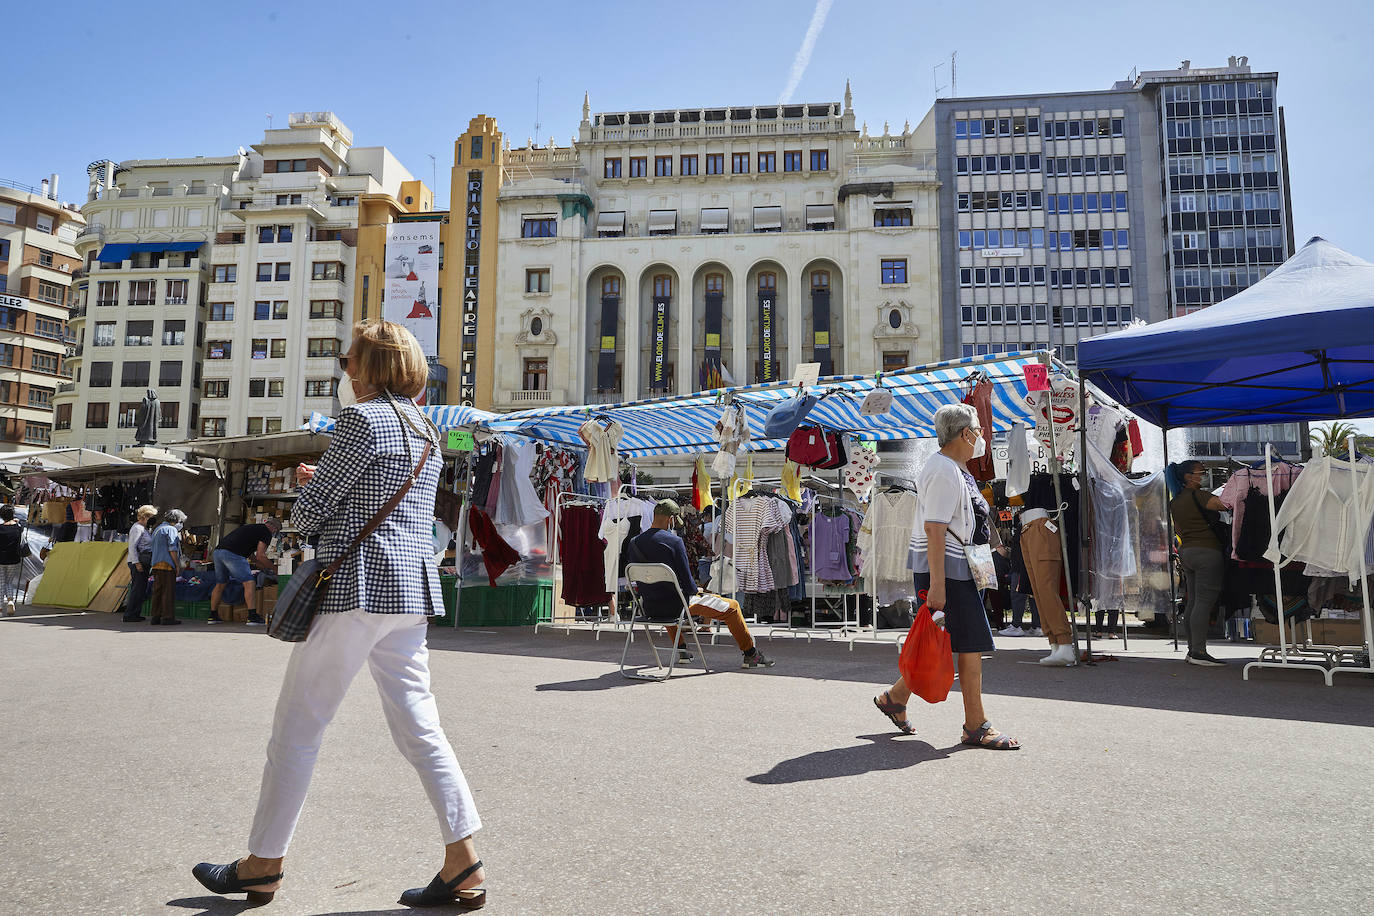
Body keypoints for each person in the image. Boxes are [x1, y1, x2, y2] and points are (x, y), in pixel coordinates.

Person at [194, 319, 486, 909]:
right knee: (420, 728)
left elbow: (313, 516)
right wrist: (324, 483)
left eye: (350, 360)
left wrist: (310, 487)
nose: (345, 370)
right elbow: (387, 501)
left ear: (372, 365)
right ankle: (464, 861)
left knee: (297, 729)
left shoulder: (361, 419)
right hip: (409, 594)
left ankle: (263, 862)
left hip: (357, 587)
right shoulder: (427, 428)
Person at [873, 403, 1020, 749]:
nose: (982, 436)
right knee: (970, 645)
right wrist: (937, 586)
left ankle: (895, 699)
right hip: (948, 574)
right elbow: (934, 529)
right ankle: (975, 725)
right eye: (979, 431)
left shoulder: (956, 469)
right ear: (965, 434)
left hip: (958, 571)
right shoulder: (942, 470)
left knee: (947, 642)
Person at [624, 499, 775, 668]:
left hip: (650, 607)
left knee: (668, 595)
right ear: (672, 519)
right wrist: (698, 589)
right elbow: (688, 587)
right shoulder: (674, 542)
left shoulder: (634, 542)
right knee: (732, 607)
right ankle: (751, 655)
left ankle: (682, 651)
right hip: (677, 607)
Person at [1168, 460, 1228, 666]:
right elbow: (1226, 505)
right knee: (1203, 602)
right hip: (1207, 552)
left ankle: (1192, 649)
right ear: (1187, 476)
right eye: (1199, 472)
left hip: (1187, 552)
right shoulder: (1201, 496)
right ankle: (1199, 652)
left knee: (1193, 601)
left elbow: (1179, 531)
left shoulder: (1174, 502)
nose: (1203, 474)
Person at [208, 518, 280, 625]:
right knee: (249, 582)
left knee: (220, 584)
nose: (275, 533)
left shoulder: (252, 528)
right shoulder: (266, 532)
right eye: (276, 531)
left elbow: (250, 552)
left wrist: (257, 563)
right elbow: (261, 555)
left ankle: (213, 616)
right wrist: (276, 569)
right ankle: (252, 617)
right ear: (274, 528)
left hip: (218, 552)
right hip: (232, 554)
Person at [149, 509, 186, 627]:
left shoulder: (157, 529)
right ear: (176, 521)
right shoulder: (171, 530)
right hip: (167, 565)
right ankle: (167, 617)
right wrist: (177, 565)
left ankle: (155, 616)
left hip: (156, 564)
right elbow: (172, 549)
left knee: (158, 591)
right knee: (168, 592)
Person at [123, 505, 157, 623]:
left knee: (141, 588)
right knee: (137, 588)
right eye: (151, 516)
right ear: (145, 516)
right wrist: (136, 562)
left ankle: (135, 613)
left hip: (143, 561)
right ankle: (130, 614)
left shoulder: (144, 528)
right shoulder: (137, 528)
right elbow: (132, 546)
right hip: (138, 561)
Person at [0, 506, 24, 616]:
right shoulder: (18, 528)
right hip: (13, 559)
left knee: (1, 583)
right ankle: (10, 600)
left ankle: (0, 608)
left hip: (1, 559)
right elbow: (19, 526)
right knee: (8, 582)